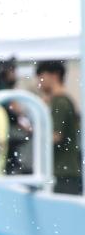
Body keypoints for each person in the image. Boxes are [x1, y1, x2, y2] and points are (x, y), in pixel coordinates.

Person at [36, 60, 83, 195]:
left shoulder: (59, 102)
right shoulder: (63, 100)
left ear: (54, 75)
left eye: (41, 76)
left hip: (62, 173)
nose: (39, 81)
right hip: (65, 171)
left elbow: (55, 136)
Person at [0, 58, 32, 175]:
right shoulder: (2, 87)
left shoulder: (4, 87)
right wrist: (19, 118)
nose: (15, 75)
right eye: (13, 71)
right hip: (6, 130)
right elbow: (11, 111)